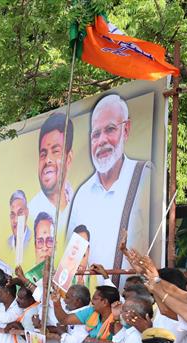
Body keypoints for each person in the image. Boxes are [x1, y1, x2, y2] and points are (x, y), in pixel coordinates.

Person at [67, 94, 151, 284]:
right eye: (96, 134)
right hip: (85, 301)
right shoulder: (82, 195)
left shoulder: (144, 176)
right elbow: (71, 259)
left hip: (129, 302)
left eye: (110, 129)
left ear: (126, 130)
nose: (102, 140)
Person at [28, 112, 75, 232]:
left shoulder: (79, 202)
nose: (48, 160)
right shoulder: (31, 212)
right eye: (43, 154)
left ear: (68, 158)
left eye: (55, 151)